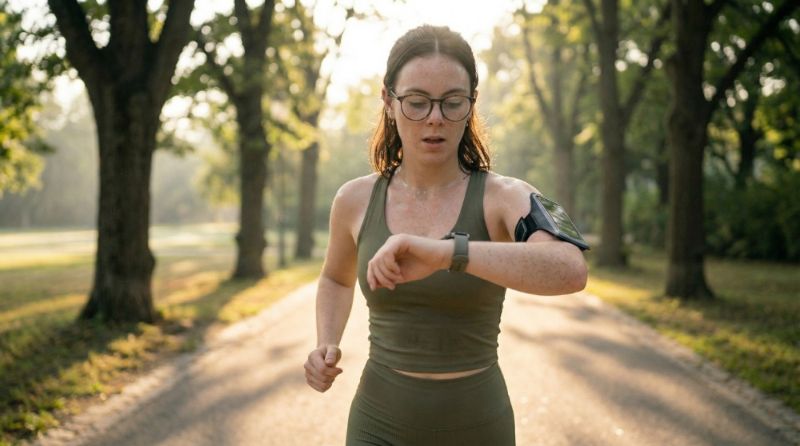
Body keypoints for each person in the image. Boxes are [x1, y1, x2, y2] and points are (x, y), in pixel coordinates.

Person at [304, 24, 588, 446]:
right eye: (417, 102)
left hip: (479, 426)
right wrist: (326, 342)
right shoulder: (353, 199)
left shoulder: (506, 197)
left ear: (472, 103)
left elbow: (571, 270)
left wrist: (447, 254)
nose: (434, 118)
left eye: (452, 102)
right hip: (377, 423)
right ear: (388, 102)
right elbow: (335, 278)